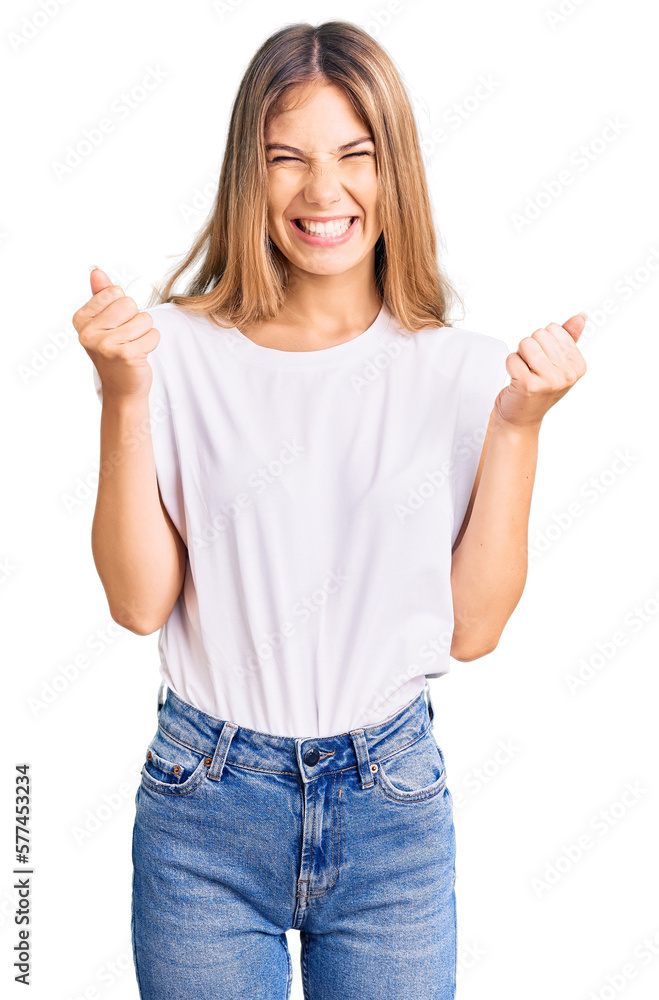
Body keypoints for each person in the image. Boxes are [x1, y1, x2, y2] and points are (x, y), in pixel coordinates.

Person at [73, 19, 587, 1000]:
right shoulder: (166, 353)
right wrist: (122, 397)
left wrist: (518, 426)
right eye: (286, 159)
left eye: (355, 155)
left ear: (394, 173)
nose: (322, 192)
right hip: (204, 804)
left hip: (388, 804)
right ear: (246, 175)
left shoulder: (466, 373)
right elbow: (140, 604)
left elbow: (472, 629)